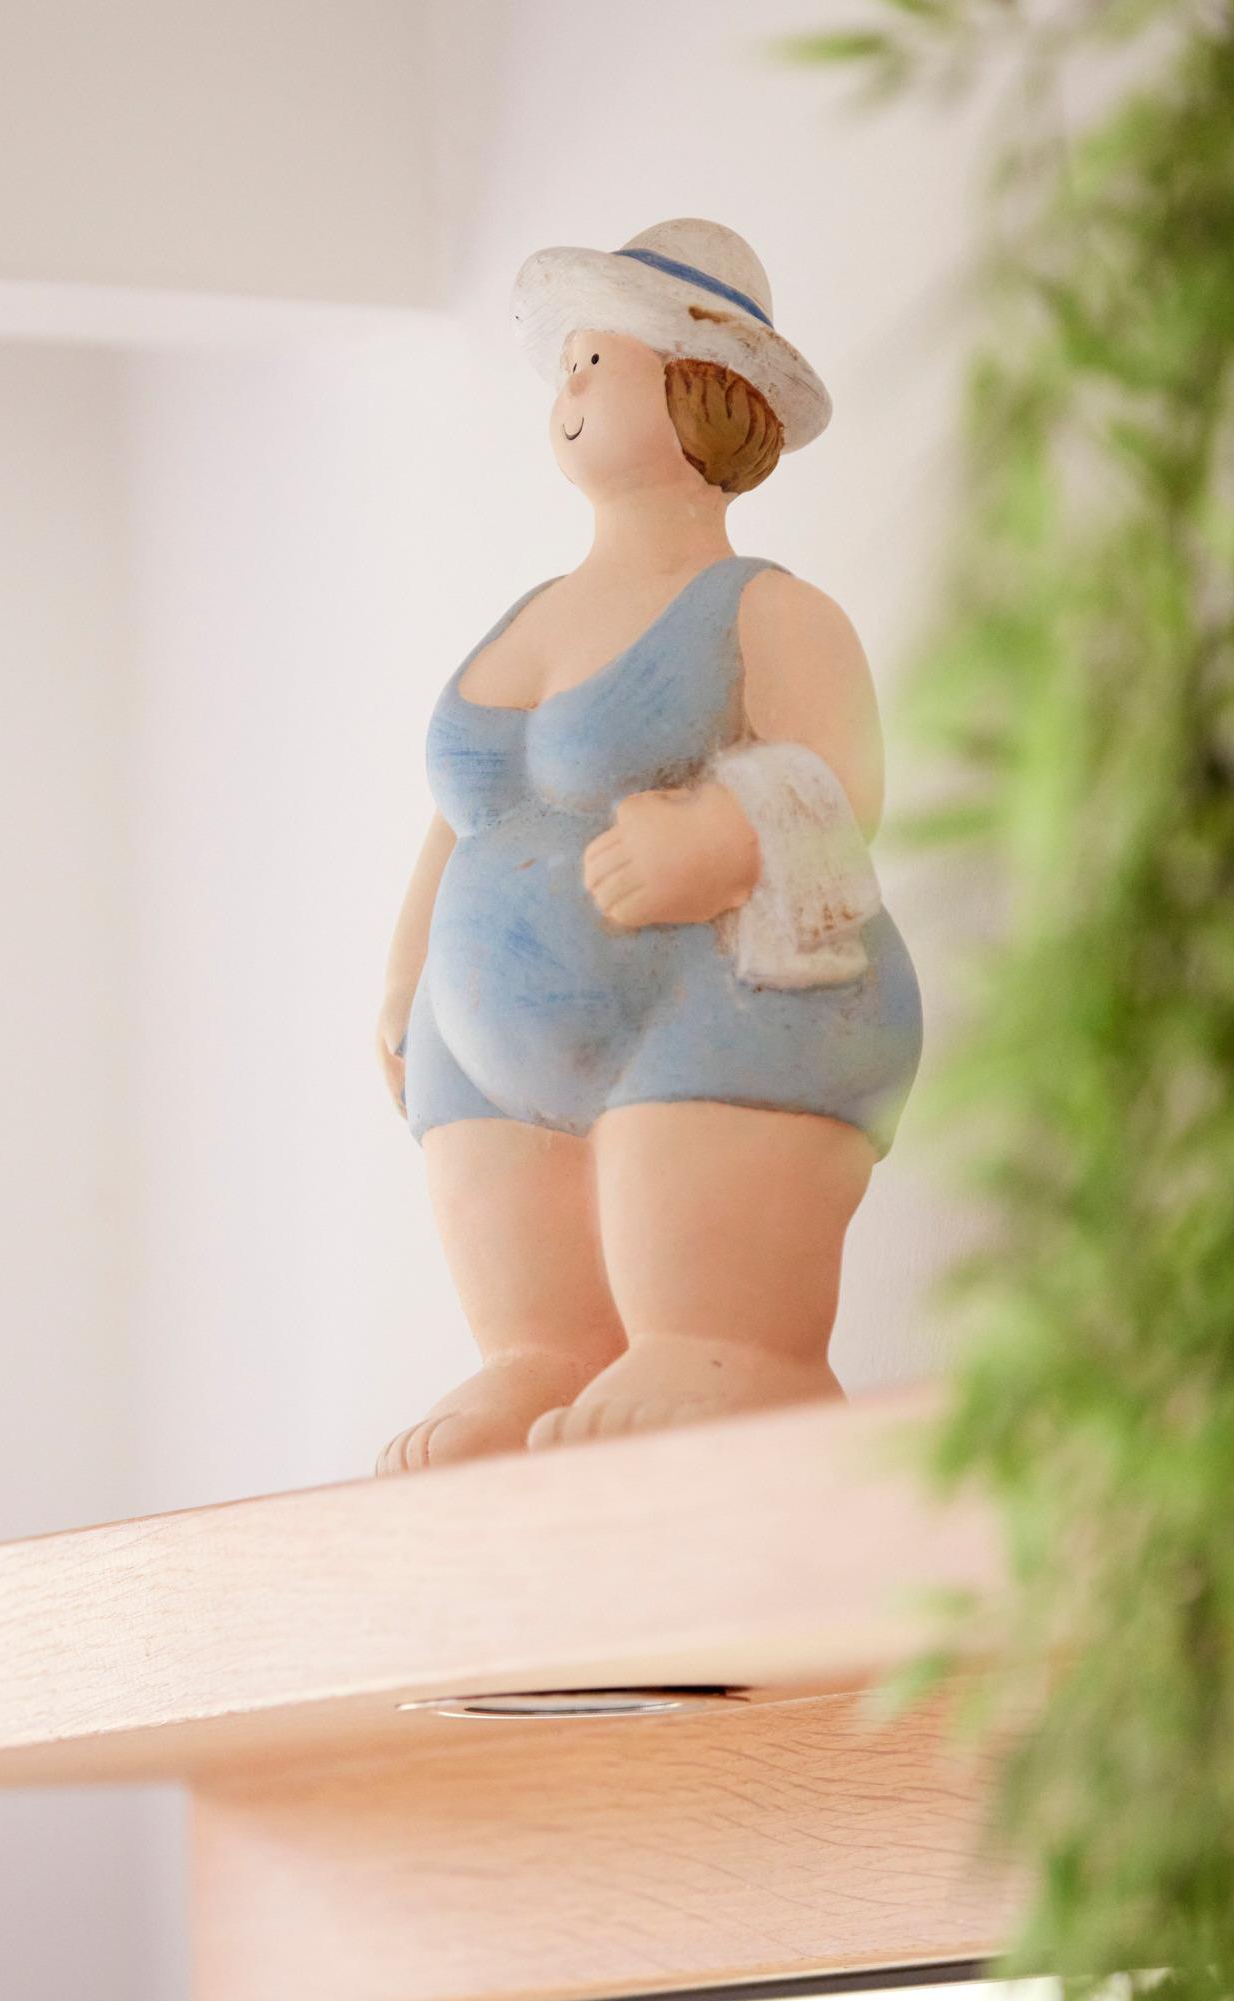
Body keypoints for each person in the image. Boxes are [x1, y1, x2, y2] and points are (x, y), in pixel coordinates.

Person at [374, 219, 921, 1475]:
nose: (566, 388)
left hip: (712, 1020)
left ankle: (724, 1346)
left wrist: (724, 834)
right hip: (488, 1061)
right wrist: (409, 978)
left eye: (595, 362)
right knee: (539, 1324)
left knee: (700, 1289)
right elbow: (462, 816)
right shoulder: (527, 616)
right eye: (565, 364)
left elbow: (843, 782)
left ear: (700, 389)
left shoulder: (767, 608)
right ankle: (544, 1358)